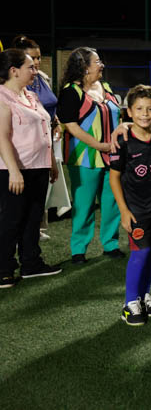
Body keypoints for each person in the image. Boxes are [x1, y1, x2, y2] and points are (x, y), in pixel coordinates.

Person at [109, 85, 151, 325]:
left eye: (150, 109)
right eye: (139, 109)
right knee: (140, 251)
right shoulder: (123, 141)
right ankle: (129, 303)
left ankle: (144, 295)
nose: (145, 114)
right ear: (129, 112)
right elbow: (114, 177)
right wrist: (124, 211)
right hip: (136, 209)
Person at [0, 49, 61, 288]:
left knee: (33, 217)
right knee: (12, 219)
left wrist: (51, 163)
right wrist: (14, 171)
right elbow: (2, 138)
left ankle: (31, 263)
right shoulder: (3, 97)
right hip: (14, 169)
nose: (35, 71)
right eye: (30, 67)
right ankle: (3, 268)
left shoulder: (31, 96)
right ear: (14, 71)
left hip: (38, 166)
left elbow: (43, 130)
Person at [57, 47, 123, 264]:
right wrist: (99, 145)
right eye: (97, 61)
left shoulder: (105, 86)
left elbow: (117, 117)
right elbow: (72, 127)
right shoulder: (71, 91)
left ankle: (111, 244)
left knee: (112, 202)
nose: (101, 64)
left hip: (112, 155)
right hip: (84, 158)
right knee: (84, 206)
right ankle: (78, 250)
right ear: (84, 67)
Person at [11, 35, 62, 240]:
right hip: (25, 139)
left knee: (42, 186)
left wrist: (55, 119)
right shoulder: (12, 84)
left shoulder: (41, 77)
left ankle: (36, 227)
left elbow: (48, 103)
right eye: (32, 58)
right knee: (21, 190)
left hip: (46, 135)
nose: (37, 62)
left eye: (39, 57)